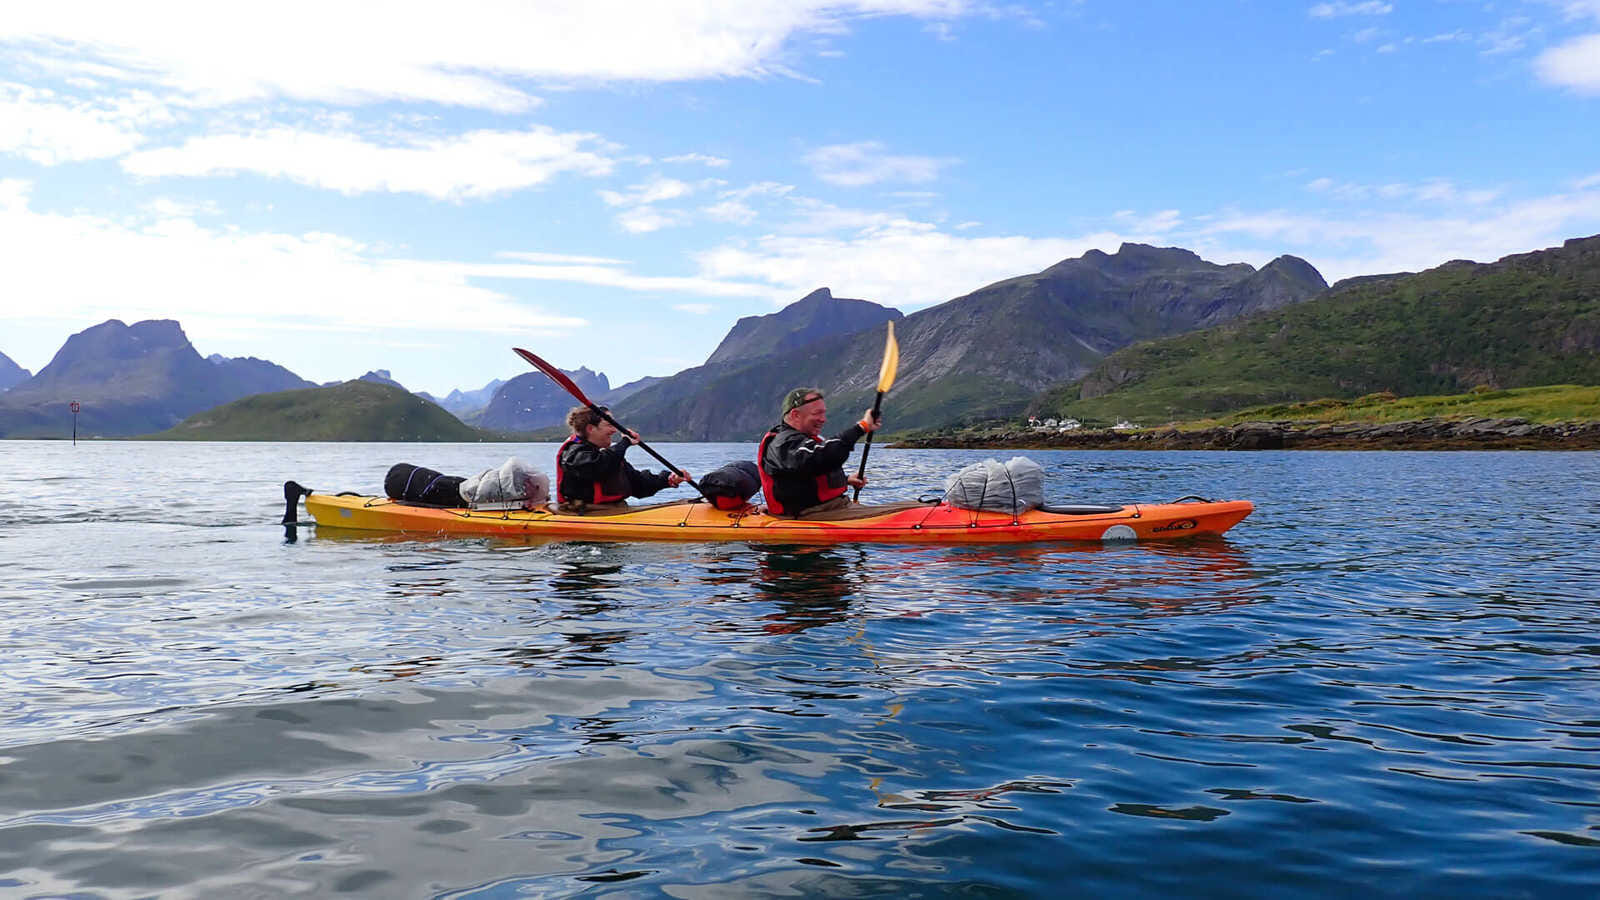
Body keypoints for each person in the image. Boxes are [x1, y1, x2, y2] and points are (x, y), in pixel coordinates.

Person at [757, 387, 881, 518]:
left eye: (823, 413)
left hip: (832, 509)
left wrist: (846, 480)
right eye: (817, 413)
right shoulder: (783, 444)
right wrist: (862, 427)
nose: (823, 419)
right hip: (810, 515)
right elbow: (821, 458)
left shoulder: (801, 441)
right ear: (795, 415)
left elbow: (804, 478)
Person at [556, 406, 688, 512]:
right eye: (609, 425)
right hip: (585, 512)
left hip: (614, 511)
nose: (615, 430)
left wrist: (668, 479)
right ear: (591, 428)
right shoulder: (572, 453)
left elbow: (639, 485)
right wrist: (624, 443)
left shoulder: (609, 456)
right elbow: (596, 467)